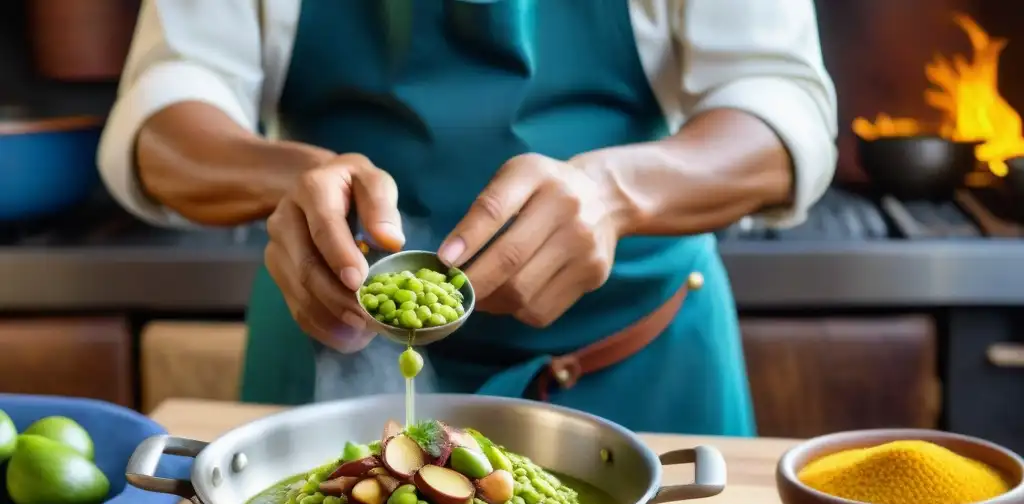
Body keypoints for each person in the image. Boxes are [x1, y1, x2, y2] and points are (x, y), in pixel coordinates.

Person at [99, 0, 837, 435]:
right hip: (333, 353)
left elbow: (779, 106)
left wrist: (616, 192)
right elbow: (167, 104)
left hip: (639, 369)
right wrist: (292, 178)